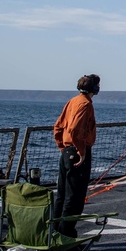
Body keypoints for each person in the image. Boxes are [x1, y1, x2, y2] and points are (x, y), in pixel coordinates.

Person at [53, 74, 99, 236]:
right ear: (94, 88)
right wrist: (80, 151)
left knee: (62, 195)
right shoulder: (85, 104)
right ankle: (67, 235)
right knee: (75, 197)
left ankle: (55, 232)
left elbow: (58, 127)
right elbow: (74, 129)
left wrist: (63, 148)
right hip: (77, 151)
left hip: (66, 151)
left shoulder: (72, 102)